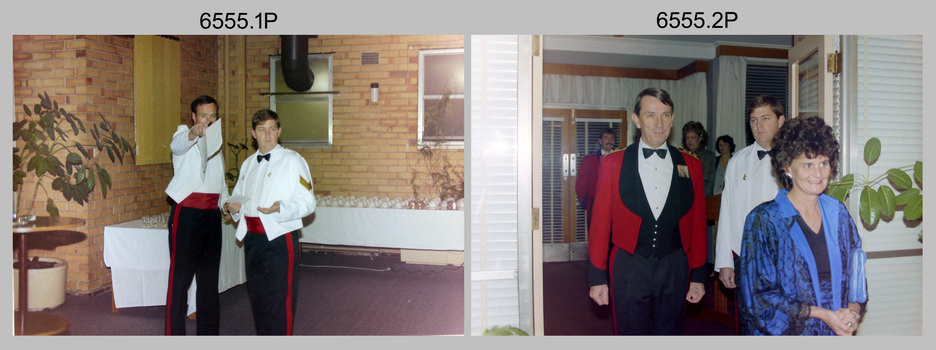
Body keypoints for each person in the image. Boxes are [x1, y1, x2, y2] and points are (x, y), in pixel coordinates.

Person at [587, 87, 707, 335]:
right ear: (636, 120)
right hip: (629, 265)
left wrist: (697, 275)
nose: (659, 123)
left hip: (675, 265)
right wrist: (597, 277)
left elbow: (697, 223)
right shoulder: (613, 163)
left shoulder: (691, 164)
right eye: (651, 115)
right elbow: (599, 225)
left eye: (665, 115)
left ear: (672, 119)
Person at [737, 115, 867, 335]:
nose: (818, 174)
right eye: (808, 165)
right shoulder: (763, 220)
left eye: (823, 163)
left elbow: (857, 272)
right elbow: (758, 298)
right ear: (787, 167)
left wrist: (852, 312)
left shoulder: (839, 214)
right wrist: (820, 314)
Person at [225, 109, 316, 335]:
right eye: (262, 130)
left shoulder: (293, 161)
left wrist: (281, 207)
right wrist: (233, 209)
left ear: (279, 131)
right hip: (252, 240)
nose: (267, 135)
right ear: (254, 134)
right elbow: (238, 200)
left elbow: (308, 203)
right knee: (258, 297)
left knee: (280, 298)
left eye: (272, 129)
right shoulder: (247, 165)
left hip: (279, 238)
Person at [164, 95, 229, 335]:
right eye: (203, 115)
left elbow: (219, 182)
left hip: (212, 217)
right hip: (188, 214)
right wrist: (194, 132)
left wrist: (227, 204)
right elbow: (177, 145)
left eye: (213, 116)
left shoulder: (216, 144)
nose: (208, 121)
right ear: (194, 116)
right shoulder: (184, 135)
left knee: (209, 283)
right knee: (179, 281)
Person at [715, 95, 785, 292]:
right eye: (754, 120)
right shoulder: (737, 161)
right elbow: (726, 212)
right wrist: (724, 261)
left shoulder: (794, 160)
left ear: (780, 121)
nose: (759, 125)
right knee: (746, 319)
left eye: (766, 118)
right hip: (743, 255)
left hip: (782, 257)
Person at [576, 127, 616, 227]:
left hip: (615, 203)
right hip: (595, 202)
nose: (609, 141)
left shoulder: (620, 158)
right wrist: (585, 202)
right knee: (596, 233)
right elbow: (580, 183)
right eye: (606, 138)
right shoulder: (590, 159)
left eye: (611, 138)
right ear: (600, 141)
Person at [682, 121, 717, 197]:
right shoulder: (682, 156)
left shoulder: (708, 156)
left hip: (702, 200)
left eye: (693, 137)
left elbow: (707, 185)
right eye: (687, 138)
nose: (690, 141)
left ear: (700, 138)